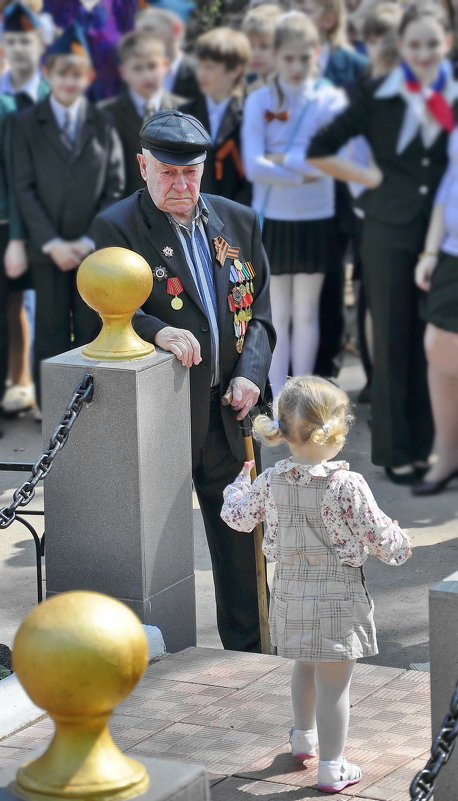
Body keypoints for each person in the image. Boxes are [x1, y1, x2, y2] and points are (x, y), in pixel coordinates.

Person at [89, 109, 276, 653]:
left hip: (229, 414)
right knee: (156, 551)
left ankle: (248, 656)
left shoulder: (238, 221)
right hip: (162, 418)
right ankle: (158, 659)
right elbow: (103, 309)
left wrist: (250, 375)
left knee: (243, 545)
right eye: (167, 173)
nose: (179, 185)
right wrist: (156, 330)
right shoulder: (117, 226)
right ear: (142, 166)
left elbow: (259, 313)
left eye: (190, 173)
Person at [221, 375, 411, 793]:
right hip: (338, 595)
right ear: (337, 429)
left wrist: (238, 484)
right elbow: (382, 540)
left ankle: (303, 737)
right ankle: (332, 765)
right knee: (334, 684)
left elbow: (237, 517)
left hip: (289, 590)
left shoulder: (271, 480)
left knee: (303, 664)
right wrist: (401, 540)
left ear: (284, 432)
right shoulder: (347, 485)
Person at [308, 2, 456, 483]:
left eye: (433, 43)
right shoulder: (375, 93)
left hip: (445, 234)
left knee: (437, 344)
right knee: (393, 338)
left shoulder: (453, 92)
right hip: (388, 231)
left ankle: (440, 446)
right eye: (415, 45)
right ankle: (398, 451)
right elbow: (320, 147)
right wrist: (366, 177)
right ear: (403, 48)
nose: (424, 52)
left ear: (447, 43)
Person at [11, 22, 125, 408]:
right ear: (48, 74)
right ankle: (51, 406)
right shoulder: (25, 124)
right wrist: (53, 242)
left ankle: (95, 404)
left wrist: (89, 240)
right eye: (62, 73)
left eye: (77, 74)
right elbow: (22, 187)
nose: (69, 81)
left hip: (92, 250)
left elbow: (114, 187)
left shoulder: (103, 123)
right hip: (49, 249)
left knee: (94, 325)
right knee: (50, 328)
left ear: (89, 77)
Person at [242, 11, 346, 399]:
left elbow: (333, 158)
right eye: (289, 58)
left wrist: (284, 161)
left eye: (306, 57)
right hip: (273, 218)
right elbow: (254, 165)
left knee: (306, 312)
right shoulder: (259, 99)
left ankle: (301, 396)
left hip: (316, 216)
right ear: (276, 57)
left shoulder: (330, 98)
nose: (298, 66)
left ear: (317, 53)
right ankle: (276, 397)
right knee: (275, 313)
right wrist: (304, 168)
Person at [0, 1, 48, 417]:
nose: (18, 48)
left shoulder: (56, 93)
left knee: (50, 309)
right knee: (14, 306)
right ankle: (19, 385)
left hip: (52, 223)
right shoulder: (3, 97)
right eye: (10, 40)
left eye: (25, 41)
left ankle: (45, 390)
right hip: (13, 219)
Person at [413, 125, 458, 495]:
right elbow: (448, 187)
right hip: (451, 256)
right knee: (438, 351)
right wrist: (430, 251)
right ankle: (447, 456)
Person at [100, 30, 184, 198]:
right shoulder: (106, 114)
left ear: (165, 66)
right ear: (124, 73)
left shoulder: (185, 110)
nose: (146, 75)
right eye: (137, 68)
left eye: (152, 66)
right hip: (125, 211)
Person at [181, 27, 252, 205]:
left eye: (210, 67)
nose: (201, 74)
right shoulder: (183, 114)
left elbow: (252, 178)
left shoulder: (250, 114)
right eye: (200, 66)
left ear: (235, 70)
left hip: (236, 214)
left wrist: (234, 215)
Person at [134, 6, 200, 101]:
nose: (142, 38)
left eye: (148, 29)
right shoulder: (131, 77)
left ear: (176, 30)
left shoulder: (199, 76)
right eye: (138, 34)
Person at [241, 3, 283, 93]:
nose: (255, 54)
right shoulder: (240, 87)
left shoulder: (292, 87)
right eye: (250, 46)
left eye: (264, 46)